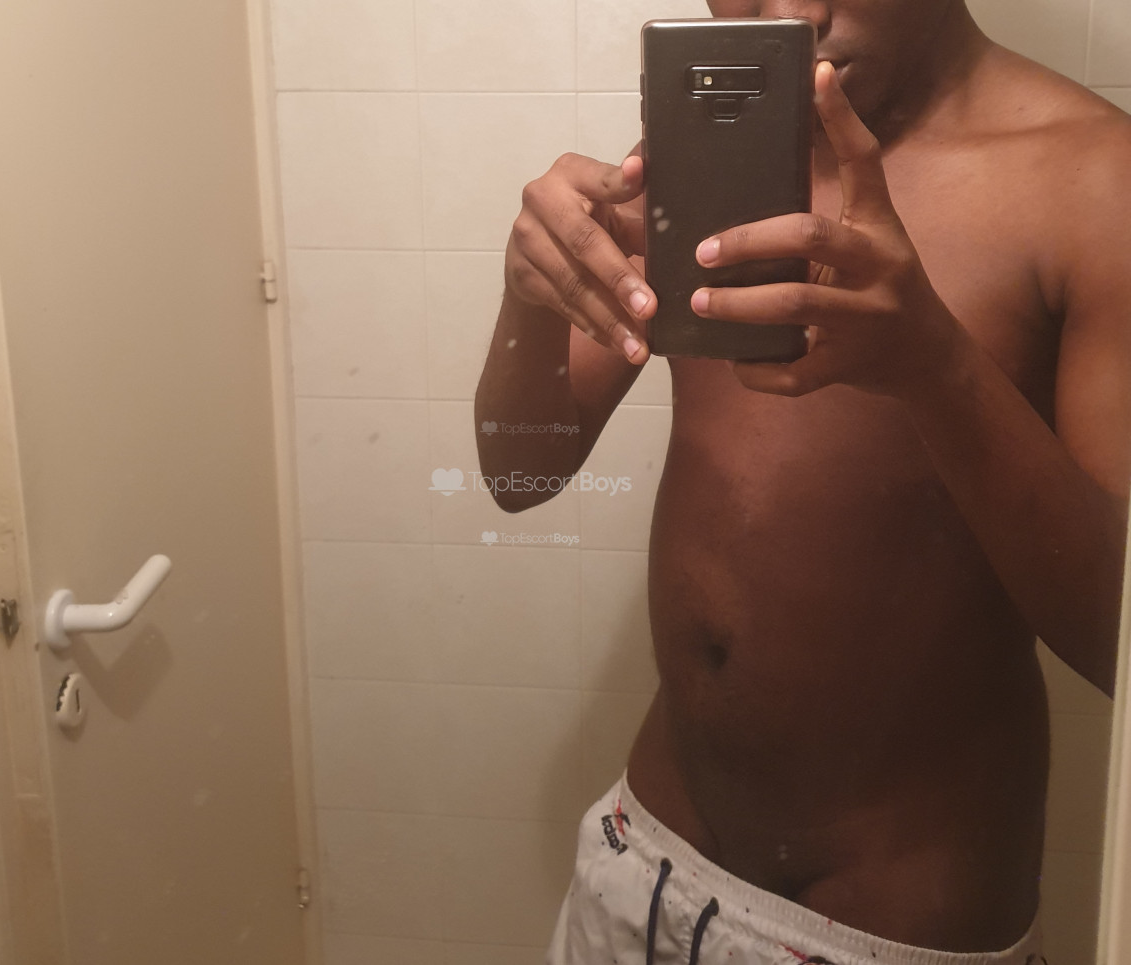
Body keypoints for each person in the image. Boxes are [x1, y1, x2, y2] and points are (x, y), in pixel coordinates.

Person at [474, 0, 1131, 962]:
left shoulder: (1097, 183)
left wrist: (935, 365)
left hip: (886, 930)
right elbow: (518, 469)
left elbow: (1118, 641)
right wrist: (527, 295)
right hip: (639, 863)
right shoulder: (710, 149)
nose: (788, 11)